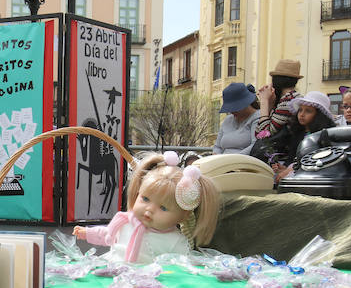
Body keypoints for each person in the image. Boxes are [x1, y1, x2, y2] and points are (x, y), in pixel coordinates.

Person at [73, 151, 220, 264]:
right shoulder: (125, 222)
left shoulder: (175, 241)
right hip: (112, 272)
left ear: (183, 216)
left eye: (163, 208)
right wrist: (87, 233)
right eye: (145, 199)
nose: (149, 209)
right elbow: (107, 234)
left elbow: (180, 270)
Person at [255, 91, 336, 182]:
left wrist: (291, 169)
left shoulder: (324, 136)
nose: (302, 114)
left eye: (308, 111)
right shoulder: (296, 133)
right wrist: (283, 168)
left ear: (319, 115)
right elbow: (292, 157)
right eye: (300, 110)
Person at [255, 59, 303, 139]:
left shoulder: (289, 101)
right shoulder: (285, 99)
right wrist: (270, 104)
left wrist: (264, 101)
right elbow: (258, 133)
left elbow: (265, 134)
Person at [213, 83, 260, 154]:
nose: (231, 112)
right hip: (223, 162)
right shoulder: (228, 120)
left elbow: (255, 146)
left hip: (244, 162)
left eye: (235, 108)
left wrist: (234, 159)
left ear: (245, 103)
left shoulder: (258, 117)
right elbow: (217, 146)